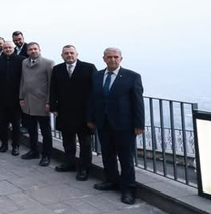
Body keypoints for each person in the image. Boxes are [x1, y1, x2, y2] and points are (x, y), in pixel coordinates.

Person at [87, 47, 144, 205]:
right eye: (109, 57)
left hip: (124, 125)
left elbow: (138, 102)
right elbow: (92, 99)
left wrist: (139, 124)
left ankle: (128, 189)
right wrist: (90, 118)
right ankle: (111, 181)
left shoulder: (132, 76)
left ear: (121, 59)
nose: (112, 59)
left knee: (126, 158)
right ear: (104, 59)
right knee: (107, 154)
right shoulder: (97, 76)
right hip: (103, 123)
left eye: (115, 57)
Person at [49, 45, 97, 181]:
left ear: (77, 54)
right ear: (62, 55)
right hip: (64, 111)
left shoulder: (89, 68)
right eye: (66, 53)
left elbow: (95, 91)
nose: (69, 55)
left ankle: (84, 169)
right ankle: (69, 163)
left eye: (71, 53)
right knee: (67, 140)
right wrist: (53, 107)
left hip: (83, 113)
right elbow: (53, 89)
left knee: (85, 143)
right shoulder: (57, 69)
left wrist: (92, 112)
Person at [19, 42, 55, 166]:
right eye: (30, 49)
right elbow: (22, 81)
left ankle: (46, 155)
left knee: (45, 131)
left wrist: (49, 102)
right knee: (31, 129)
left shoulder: (48, 63)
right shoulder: (24, 62)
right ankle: (33, 151)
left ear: (40, 50)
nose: (33, 51)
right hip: (28, 101)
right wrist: (21, 97)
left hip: (42, 103)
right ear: (27, 51)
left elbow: (51, 84)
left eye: (35, 49)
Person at [0, 41, 25, 156]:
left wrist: (22, 96)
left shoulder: (21, 60)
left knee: (16, 125)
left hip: (16, 99)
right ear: (3, 49)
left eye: (10, 47)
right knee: (3, 124)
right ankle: (4, 144)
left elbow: (24, 79)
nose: (7, 49)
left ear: (13, 48)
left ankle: (16, 146)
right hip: (2, 98)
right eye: (5, 48)